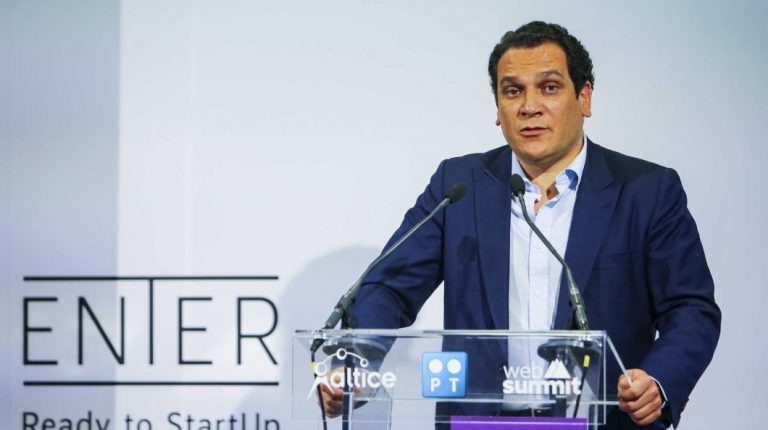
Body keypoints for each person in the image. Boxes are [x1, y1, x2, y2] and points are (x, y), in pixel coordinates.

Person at [319, 21, 720, 429]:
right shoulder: (458, 187)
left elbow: (690, 308)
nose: (530, 107)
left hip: (603, 420)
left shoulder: (646, 191)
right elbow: (390, 286)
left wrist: (657, 380)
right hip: (482, 424)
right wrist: (356, 362)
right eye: (512, 91)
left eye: (549, 87)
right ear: (498, 109)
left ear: (584, 97)